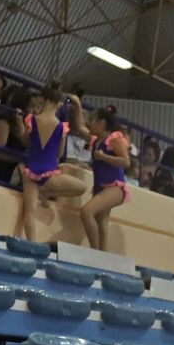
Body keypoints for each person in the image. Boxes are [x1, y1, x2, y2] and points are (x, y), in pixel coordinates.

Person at [16, 85, 88, 241]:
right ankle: (47, 192)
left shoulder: (31, 120)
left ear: (42, 99)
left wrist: (21, 126)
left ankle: (31, 243)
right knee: (81, 188)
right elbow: (59, 154)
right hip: (49, 173)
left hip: (30, 170)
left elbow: (26, 142)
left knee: (29, 211)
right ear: (59, 103)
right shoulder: (62, 127)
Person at [79, 106, 130, 252]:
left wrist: (103, 157)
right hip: (102, 187)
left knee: (86, 212)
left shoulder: (114, 139)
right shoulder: (97, 141)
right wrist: (76, 106)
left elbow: (126, 162)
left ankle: (95, 252)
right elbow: (80, 128)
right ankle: (102, 255)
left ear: (101, 123)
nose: (90, 124)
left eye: (92, 121)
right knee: (101, 224)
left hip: (115, 186)